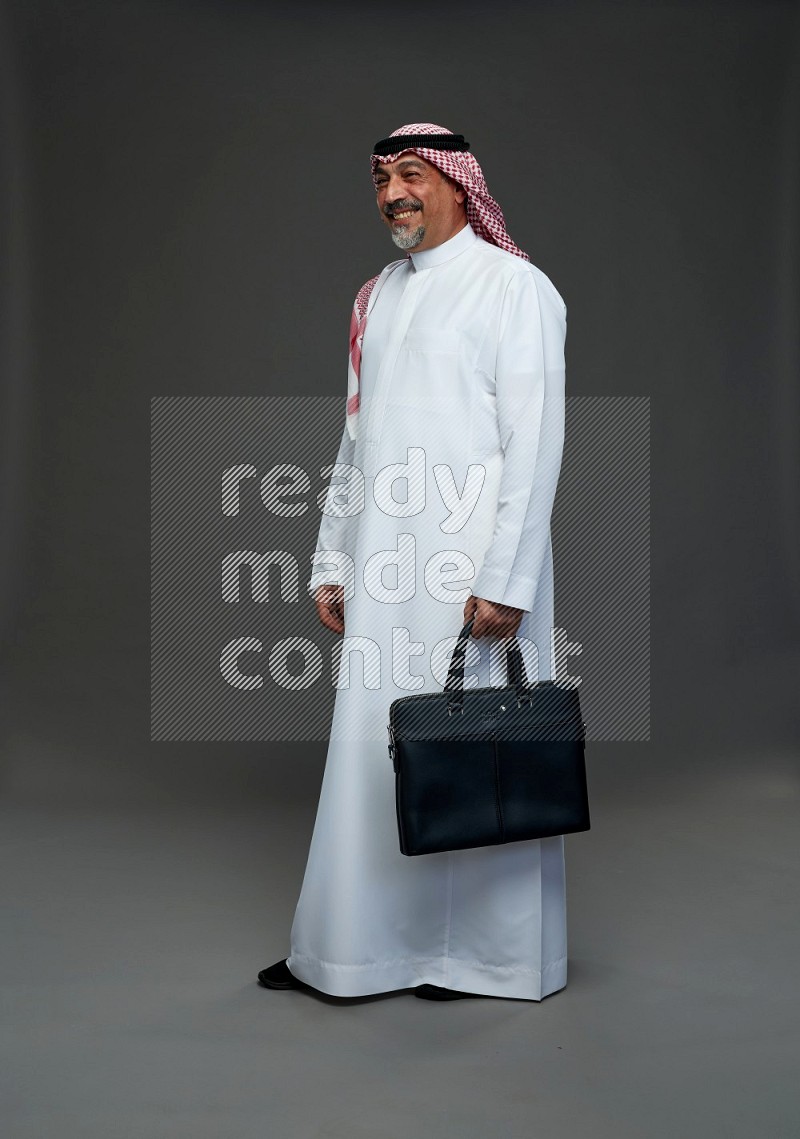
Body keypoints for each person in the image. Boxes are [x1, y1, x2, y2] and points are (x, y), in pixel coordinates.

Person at [259, 123, 569, 1001]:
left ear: (460, 186)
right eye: (382, 178)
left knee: (479, 750)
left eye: (412, 175)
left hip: (473, 571)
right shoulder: (377, 298)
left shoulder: (516, 288)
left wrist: (506, 581)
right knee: (374, 751)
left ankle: (483, 958)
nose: (393, 192)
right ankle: (356, 950)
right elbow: (357, 440)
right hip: (385, 561)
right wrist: (333, 558)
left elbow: (535, 443)